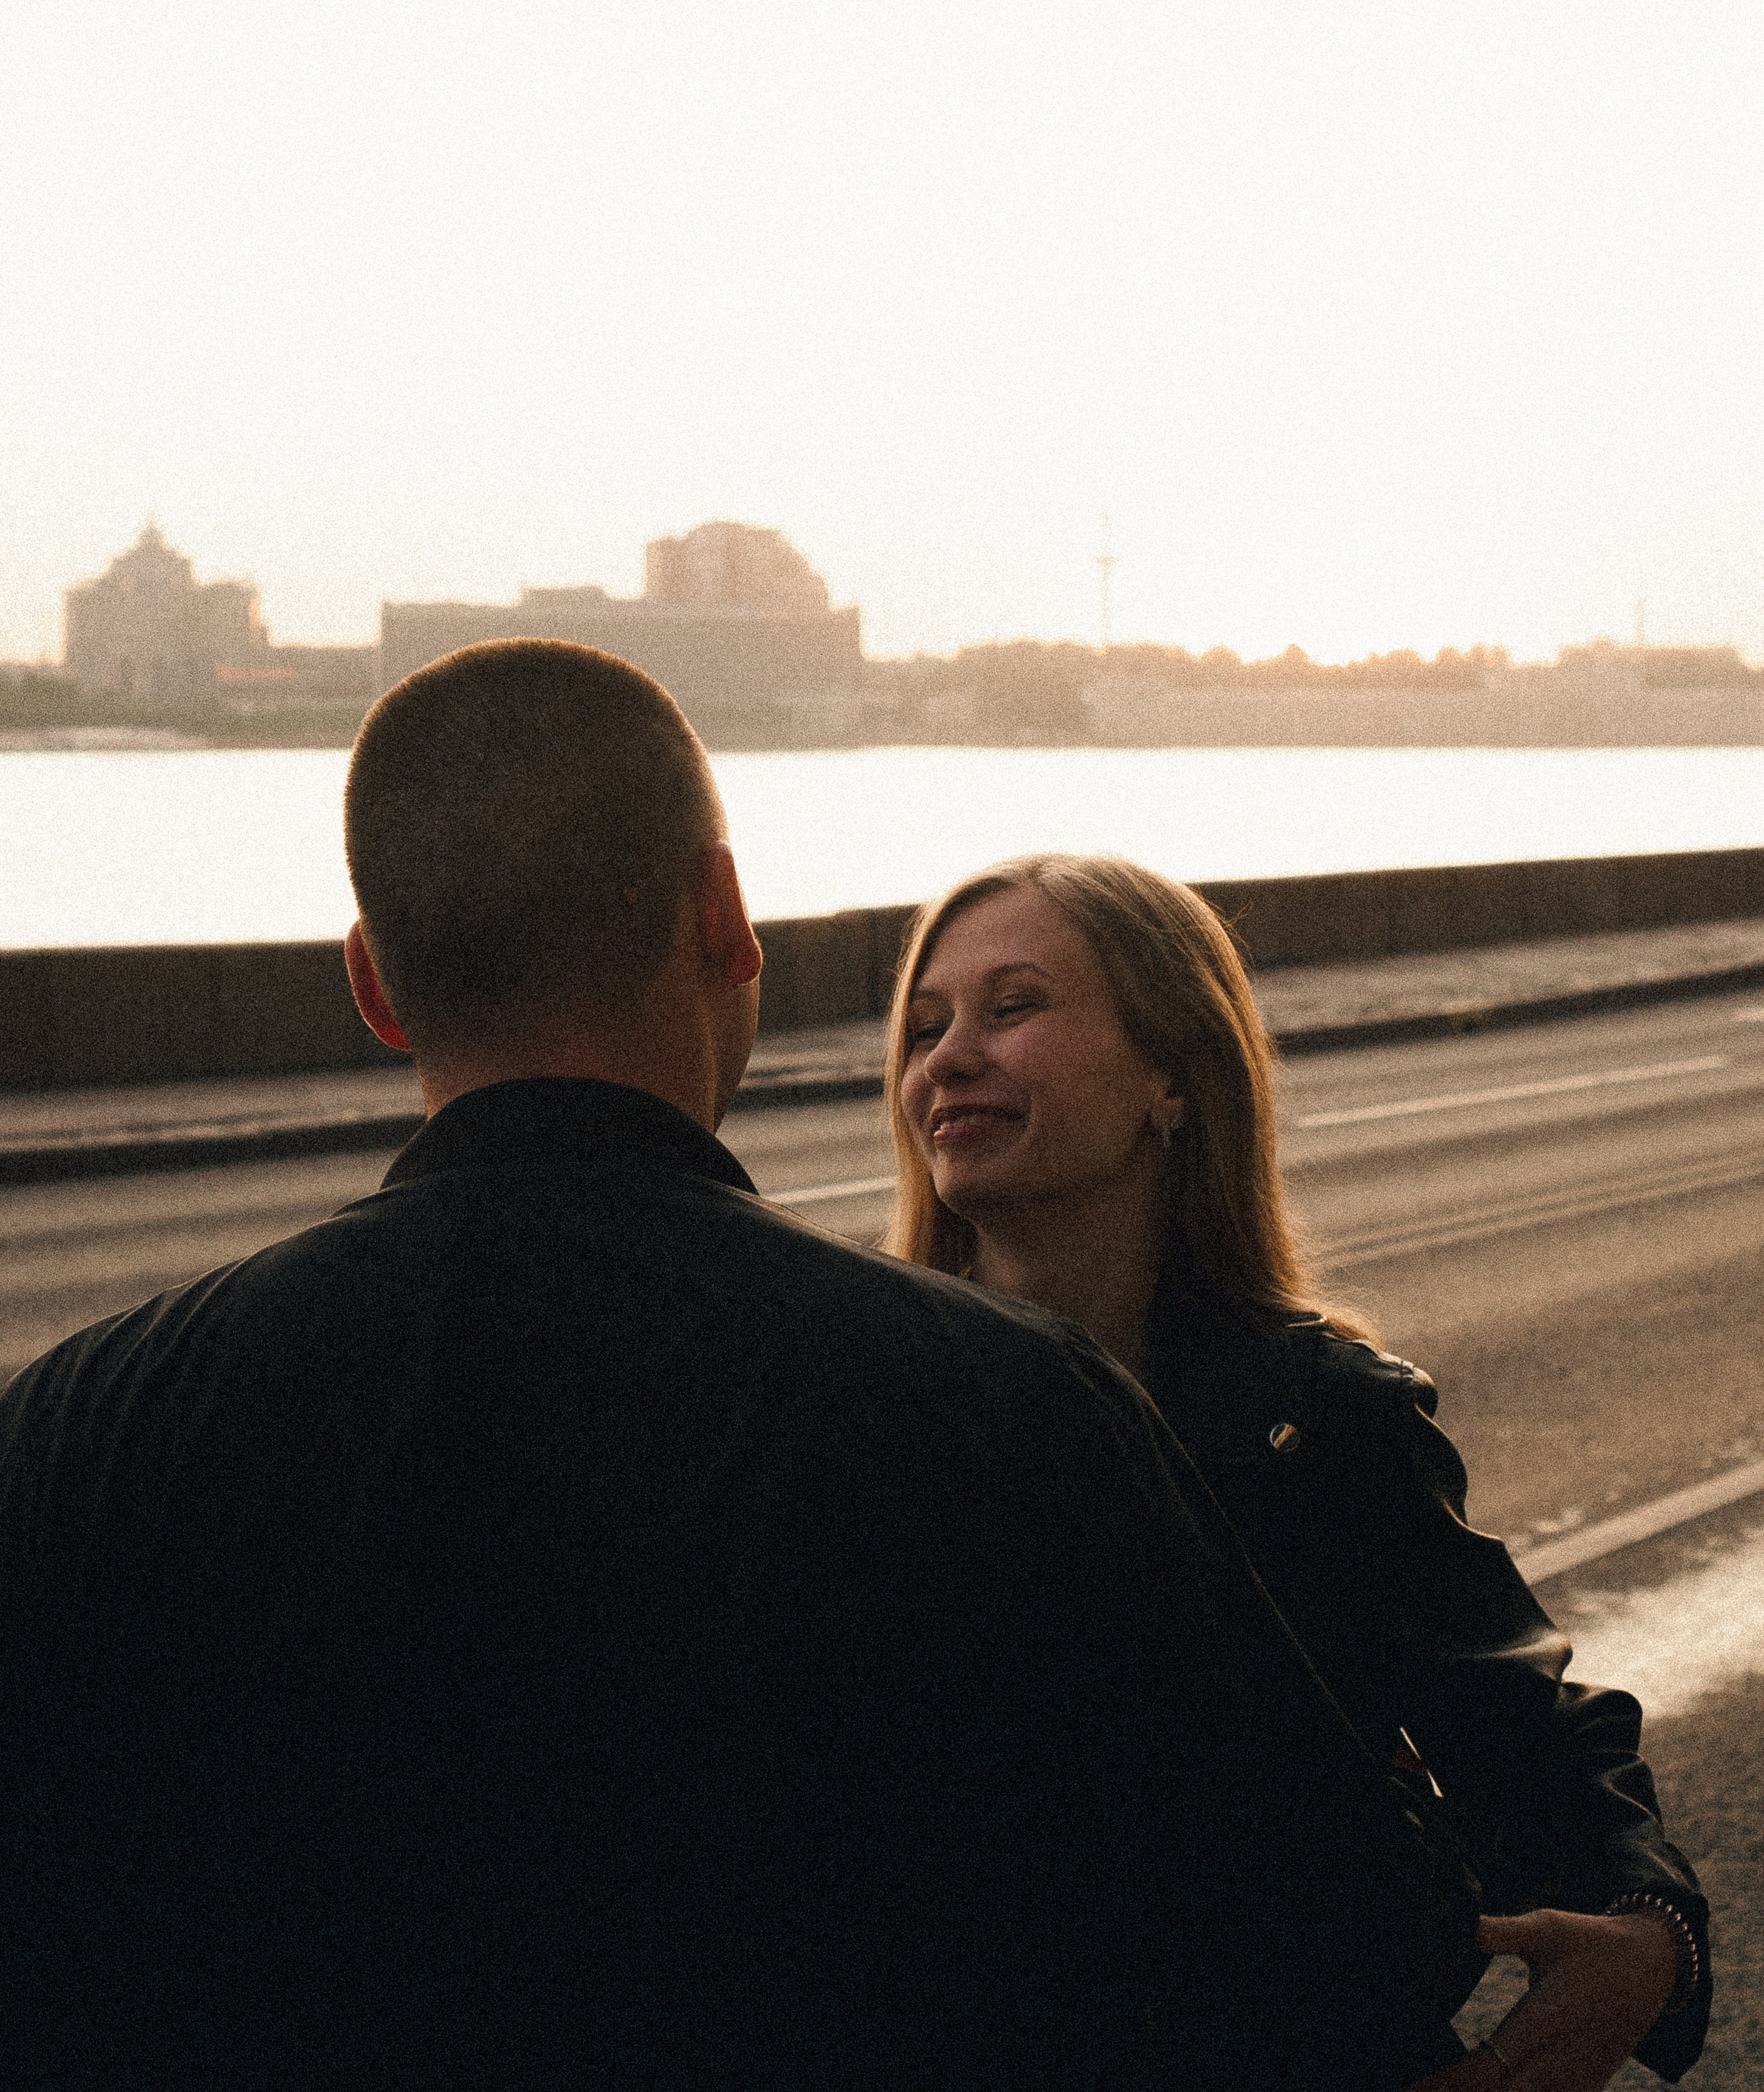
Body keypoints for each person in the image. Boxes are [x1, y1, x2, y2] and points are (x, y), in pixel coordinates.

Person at [0, 644, 1483, 2092]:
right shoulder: (1008, 1410)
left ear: (375, 986)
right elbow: (1324, 1950)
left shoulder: (80, 1428)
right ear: (723, 917)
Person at [885, 852, 1712, 2092]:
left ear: (1172, 1073)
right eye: (927, 1025)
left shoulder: (1322, 1418)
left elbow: (1523, 1730)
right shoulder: (857, 1407)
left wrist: (1653, 1940)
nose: (947, 1058)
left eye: (1014, 1008)